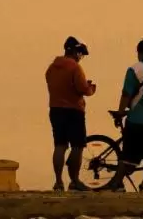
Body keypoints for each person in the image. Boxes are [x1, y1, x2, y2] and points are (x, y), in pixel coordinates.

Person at [106, 38, 143, 192]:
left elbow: (126, 93)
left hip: (136, 120)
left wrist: (120, 112)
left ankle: (117, 183)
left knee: (129, 154)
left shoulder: (135, 69)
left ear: (140, 52)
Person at [45, 36, 97, 191]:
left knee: (60, 145)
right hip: (74, 111)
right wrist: (91, 89)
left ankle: (58, 182)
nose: (80, 57)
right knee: (77, 146)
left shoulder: (51, 68)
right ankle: (75, 180)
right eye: (80, 53)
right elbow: (82, 89)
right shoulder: (75, 67)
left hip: (55, 110)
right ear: (74, 51)